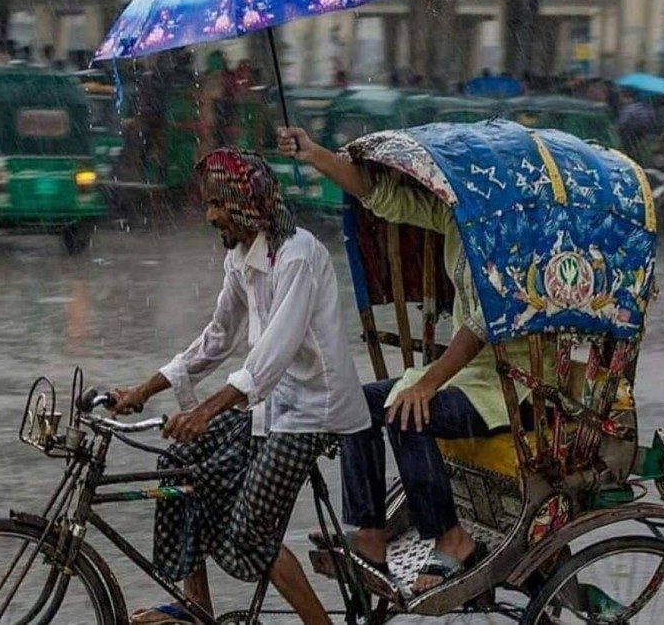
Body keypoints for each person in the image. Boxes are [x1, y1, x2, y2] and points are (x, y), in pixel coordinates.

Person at [277, 127, 552, 595]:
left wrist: (425, 386)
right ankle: (369, 531)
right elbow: (386, 198)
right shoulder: (459, 219)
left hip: (512, 384)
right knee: (359, 403)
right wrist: (317, 155)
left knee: (408, 413)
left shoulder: (517, 235)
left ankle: (452, 536)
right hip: (468, 376)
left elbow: (482, 327)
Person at [112, 148, 370, 624]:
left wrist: (204, 412)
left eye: (216, 204)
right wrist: (144, 389)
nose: (209, 215)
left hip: (314, 410)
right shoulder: (240, 258)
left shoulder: (299, 256)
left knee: (251, 533)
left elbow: (272, 355)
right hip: (270, 403)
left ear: (246, 205)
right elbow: (217, 337)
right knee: (181, 466)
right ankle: (196, 608)